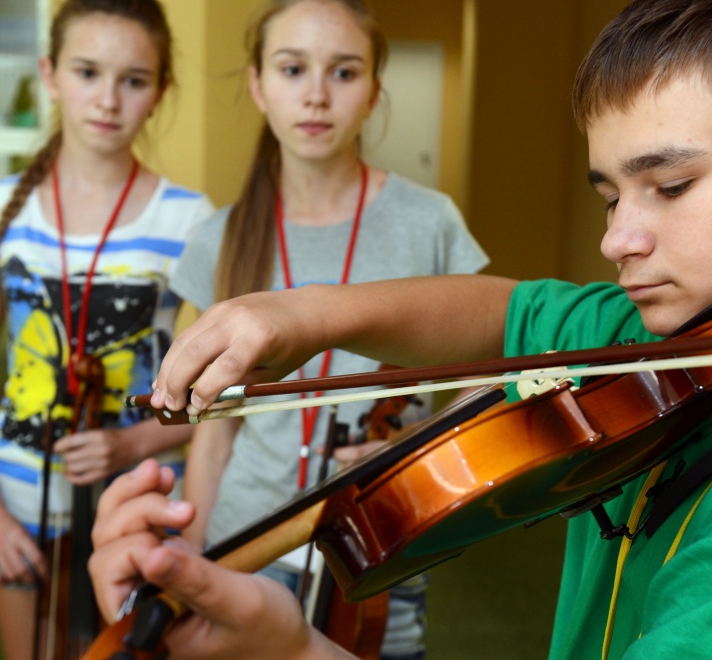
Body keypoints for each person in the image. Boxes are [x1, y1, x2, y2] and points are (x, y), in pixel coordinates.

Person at [87, 0, 712, 657]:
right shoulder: (692, 341)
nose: (619, 238)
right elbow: (506, 311)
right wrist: (298, 313)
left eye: (672, 186)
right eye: (611, 194)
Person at [170, 1, 487, 657]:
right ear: (259, 84)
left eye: (344, 73)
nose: (316, 95)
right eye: (293, 70)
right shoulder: (221, 236)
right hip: (249, 537)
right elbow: (214, 428)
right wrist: (196, 555)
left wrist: (411, 449)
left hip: (382, 535)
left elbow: (489, 373)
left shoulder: (430, 223)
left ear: (374, 91)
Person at [0, 1, 214, 658]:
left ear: (160, 93)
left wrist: (131, 442)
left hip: (142, 494)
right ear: (50, 75)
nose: (108, 100)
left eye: (134, 80)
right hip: (17, 501)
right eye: (87, 72)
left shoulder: (190, 220)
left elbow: (212, 401)